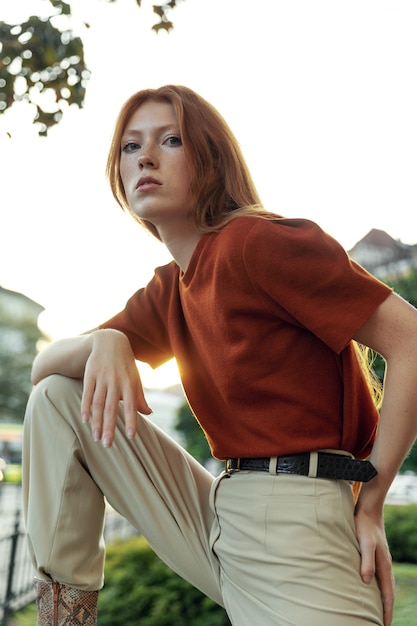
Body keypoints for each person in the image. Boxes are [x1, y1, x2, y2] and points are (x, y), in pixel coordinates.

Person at [22, 84, 417, 626]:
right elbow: (43, 370)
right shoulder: (171, 288)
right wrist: (104, 341)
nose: (147, 158)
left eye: (171, 139)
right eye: (130, 147)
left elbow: (411, 339)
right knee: (57, 399)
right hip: (219, 513)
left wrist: (370, 502)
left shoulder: (258, 243)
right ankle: (64, 618)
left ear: (210, 158)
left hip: (298, 527)